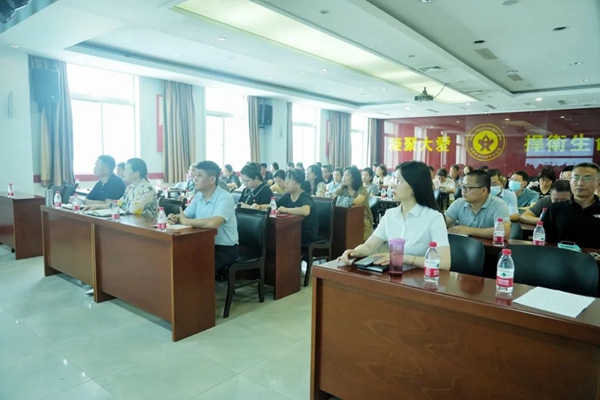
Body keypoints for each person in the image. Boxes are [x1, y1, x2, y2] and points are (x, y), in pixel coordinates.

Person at [339, 161, 450, 270]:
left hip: (422, 279)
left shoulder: (434, 218)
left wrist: (402, 258)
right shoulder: (390, 215)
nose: (392, 185)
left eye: (398, 181)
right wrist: (355, 252)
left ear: (414, 186)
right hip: (394, 275)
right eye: (393, 180)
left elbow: (444, 262)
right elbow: (369, 246)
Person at [168, 161, 239, 272]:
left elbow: (214, 223)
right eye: (195, 175)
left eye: (199, 176)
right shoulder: (198, 196)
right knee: (177, 257)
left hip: (224, 249)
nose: (194, 179)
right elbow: (185, 215)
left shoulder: (225, 197)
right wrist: (175, 218)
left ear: (212, 179)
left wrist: (186, 221)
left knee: (194, 264)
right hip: (203, 244)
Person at [541, 162, 600, 248]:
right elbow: (545, 241)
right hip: (559, 255)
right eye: (576, 178)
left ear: (598, 183)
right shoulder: (555, 208)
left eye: (587, 178)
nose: (580, 183)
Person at [445, 170, 511, 240]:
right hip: (464, 245)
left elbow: (504, 232)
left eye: (468, 187)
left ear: (483, 190)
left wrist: (467, 230)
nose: (463, 190)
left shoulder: (498, 205)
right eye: (463, 186)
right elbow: (442, 222)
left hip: (488, 246)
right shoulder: (459, 203)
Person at [85, 158, 158, 217]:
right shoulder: (130, 188)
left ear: (136, 174)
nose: (124, 172)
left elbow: (135, 209)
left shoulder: (148, 189)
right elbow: (118, 203)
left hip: (147, 225)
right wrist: (97, 206)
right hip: (133, 222)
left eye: (127, 169)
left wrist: (121, 206)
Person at [276, 169, 318, 245]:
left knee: (280, 237)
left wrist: (286, 210)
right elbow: (275, 206)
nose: (286, 182)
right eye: (286, 179)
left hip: (305, 234)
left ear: (298, 184)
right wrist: (259, 207)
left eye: (290, 180)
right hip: (293, 229)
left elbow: (305, 211)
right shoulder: (288, 195)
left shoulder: (305, 196)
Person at [335, 166, 373, 240]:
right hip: (345, 218)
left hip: (361, 220)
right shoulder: (342, 189)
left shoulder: (362, 190)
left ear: (354, 177)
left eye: (346, 175)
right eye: (343, 175)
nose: (343, 178)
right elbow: (333, 198)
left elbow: (356, 201)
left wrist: (340, 200)